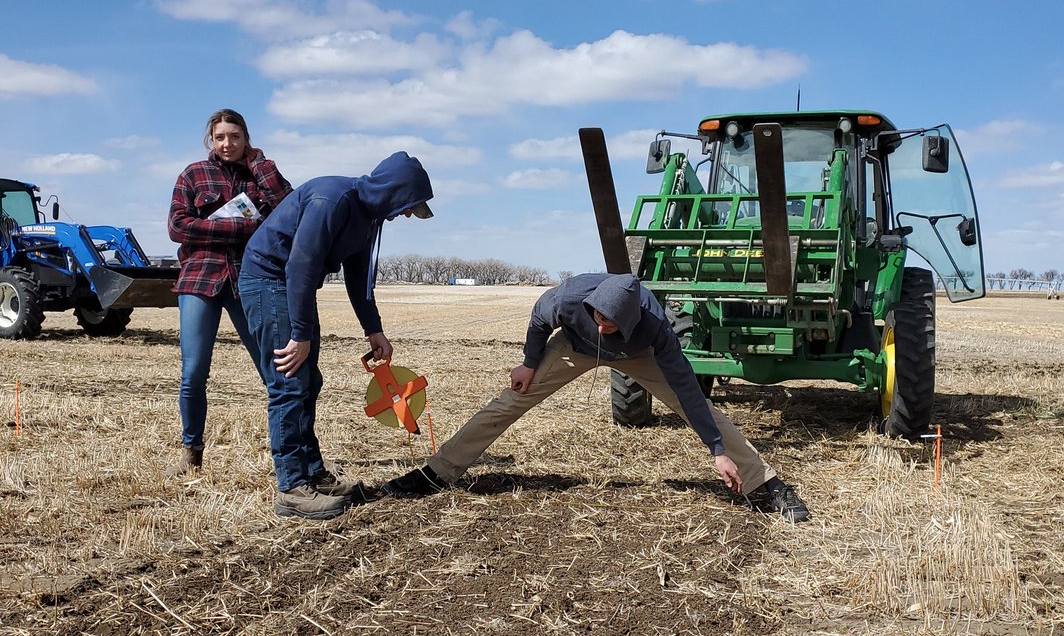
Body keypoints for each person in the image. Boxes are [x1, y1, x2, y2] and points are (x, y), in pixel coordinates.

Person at [385, 273, 811, 523]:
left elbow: (688, 393)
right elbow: (538, 318)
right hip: (572, 348)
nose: (601, 323)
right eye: (597, 316)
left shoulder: (657, 330)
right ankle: (438, 472)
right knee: (508, 402)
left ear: (632, 316)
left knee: (704, 413)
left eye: (611, 321)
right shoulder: (570, 300)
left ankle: (765, 484)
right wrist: (530, 363)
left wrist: (716, 451)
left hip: (638, 356)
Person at [239, 151, 434, 520]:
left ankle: (313, 475)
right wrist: (300, 334)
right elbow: (300, 264)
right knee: (290, 380)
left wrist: (373, 329)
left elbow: (359, 275)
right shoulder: (333, 199)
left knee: (310, 381)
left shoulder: (368, 217)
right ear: (392, 190)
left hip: (292, 285)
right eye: (409, 204)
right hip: (269, 280)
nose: (408, 213)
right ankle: (292, 488)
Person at [166, 109, 292, 478]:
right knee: (193, 372)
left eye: (234, 137)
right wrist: (243, 229)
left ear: (246, 139)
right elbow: (178, 227)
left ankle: (287, 453)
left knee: (273, 371)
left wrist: (262, 165)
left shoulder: (260, 174)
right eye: (220, 137)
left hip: (249, 279)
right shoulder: (193, 174)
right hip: (199, 278)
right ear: (211, 139)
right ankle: (192, 451)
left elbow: (287, 210)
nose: (227, 144)